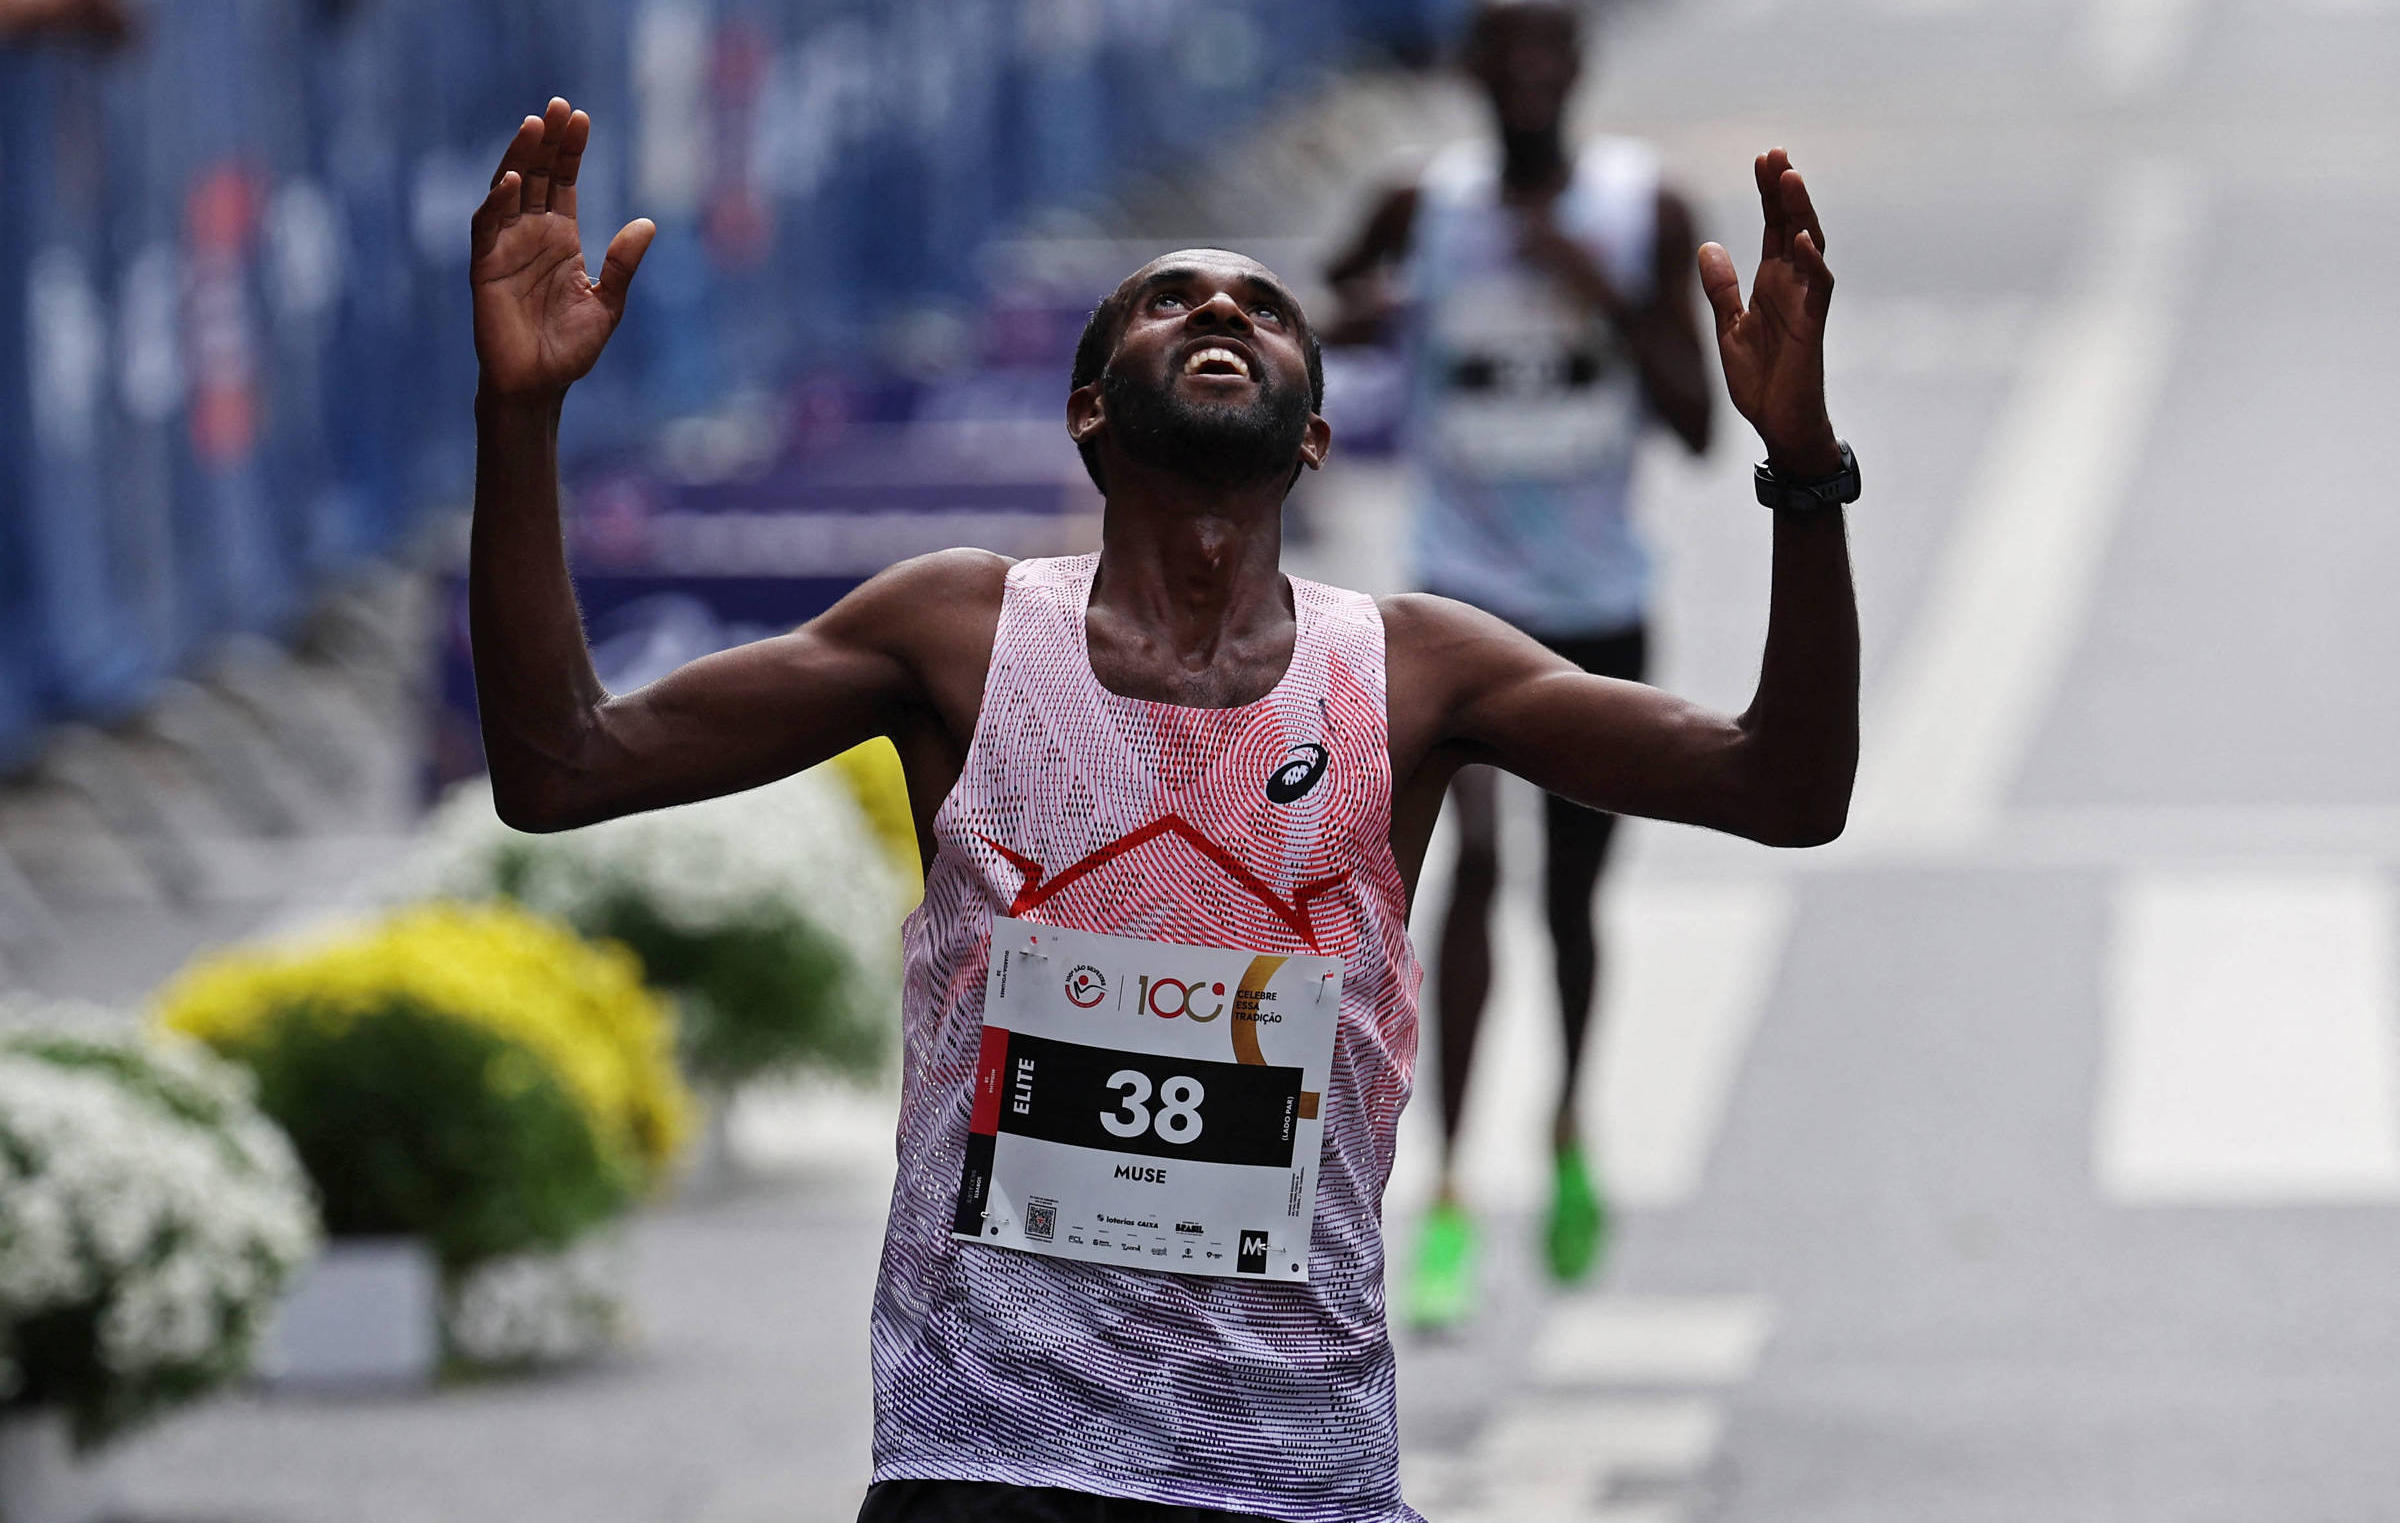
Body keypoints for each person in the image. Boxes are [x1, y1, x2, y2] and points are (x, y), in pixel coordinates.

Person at [470, 95, 1854, 1523]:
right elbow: (564, 764)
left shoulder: (1416, 669)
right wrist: (517, 419)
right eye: (1167, 299)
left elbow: (1784, 787)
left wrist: (1806, 473)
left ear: (1313, 432)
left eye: (1264, 306)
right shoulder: (956, 635)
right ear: (1089, 408)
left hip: (1294, 1473)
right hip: (989, 1464)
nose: (1220, 307)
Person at [1322, 0, 1715, 1324]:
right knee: (1473, 870)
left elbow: (1698, 420)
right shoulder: (1417, 207)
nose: (1528, 77)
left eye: (1550, 53)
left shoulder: (1639, 209)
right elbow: (1315, 320)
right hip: (1459, 598)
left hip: (1602, 595)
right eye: (1504, 55)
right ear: (1470, 72)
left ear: (1581, 68)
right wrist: (1357, 323)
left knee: (1570, 902)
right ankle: (1443, 1195)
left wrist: (1600, 293)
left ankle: (1567, 1132)